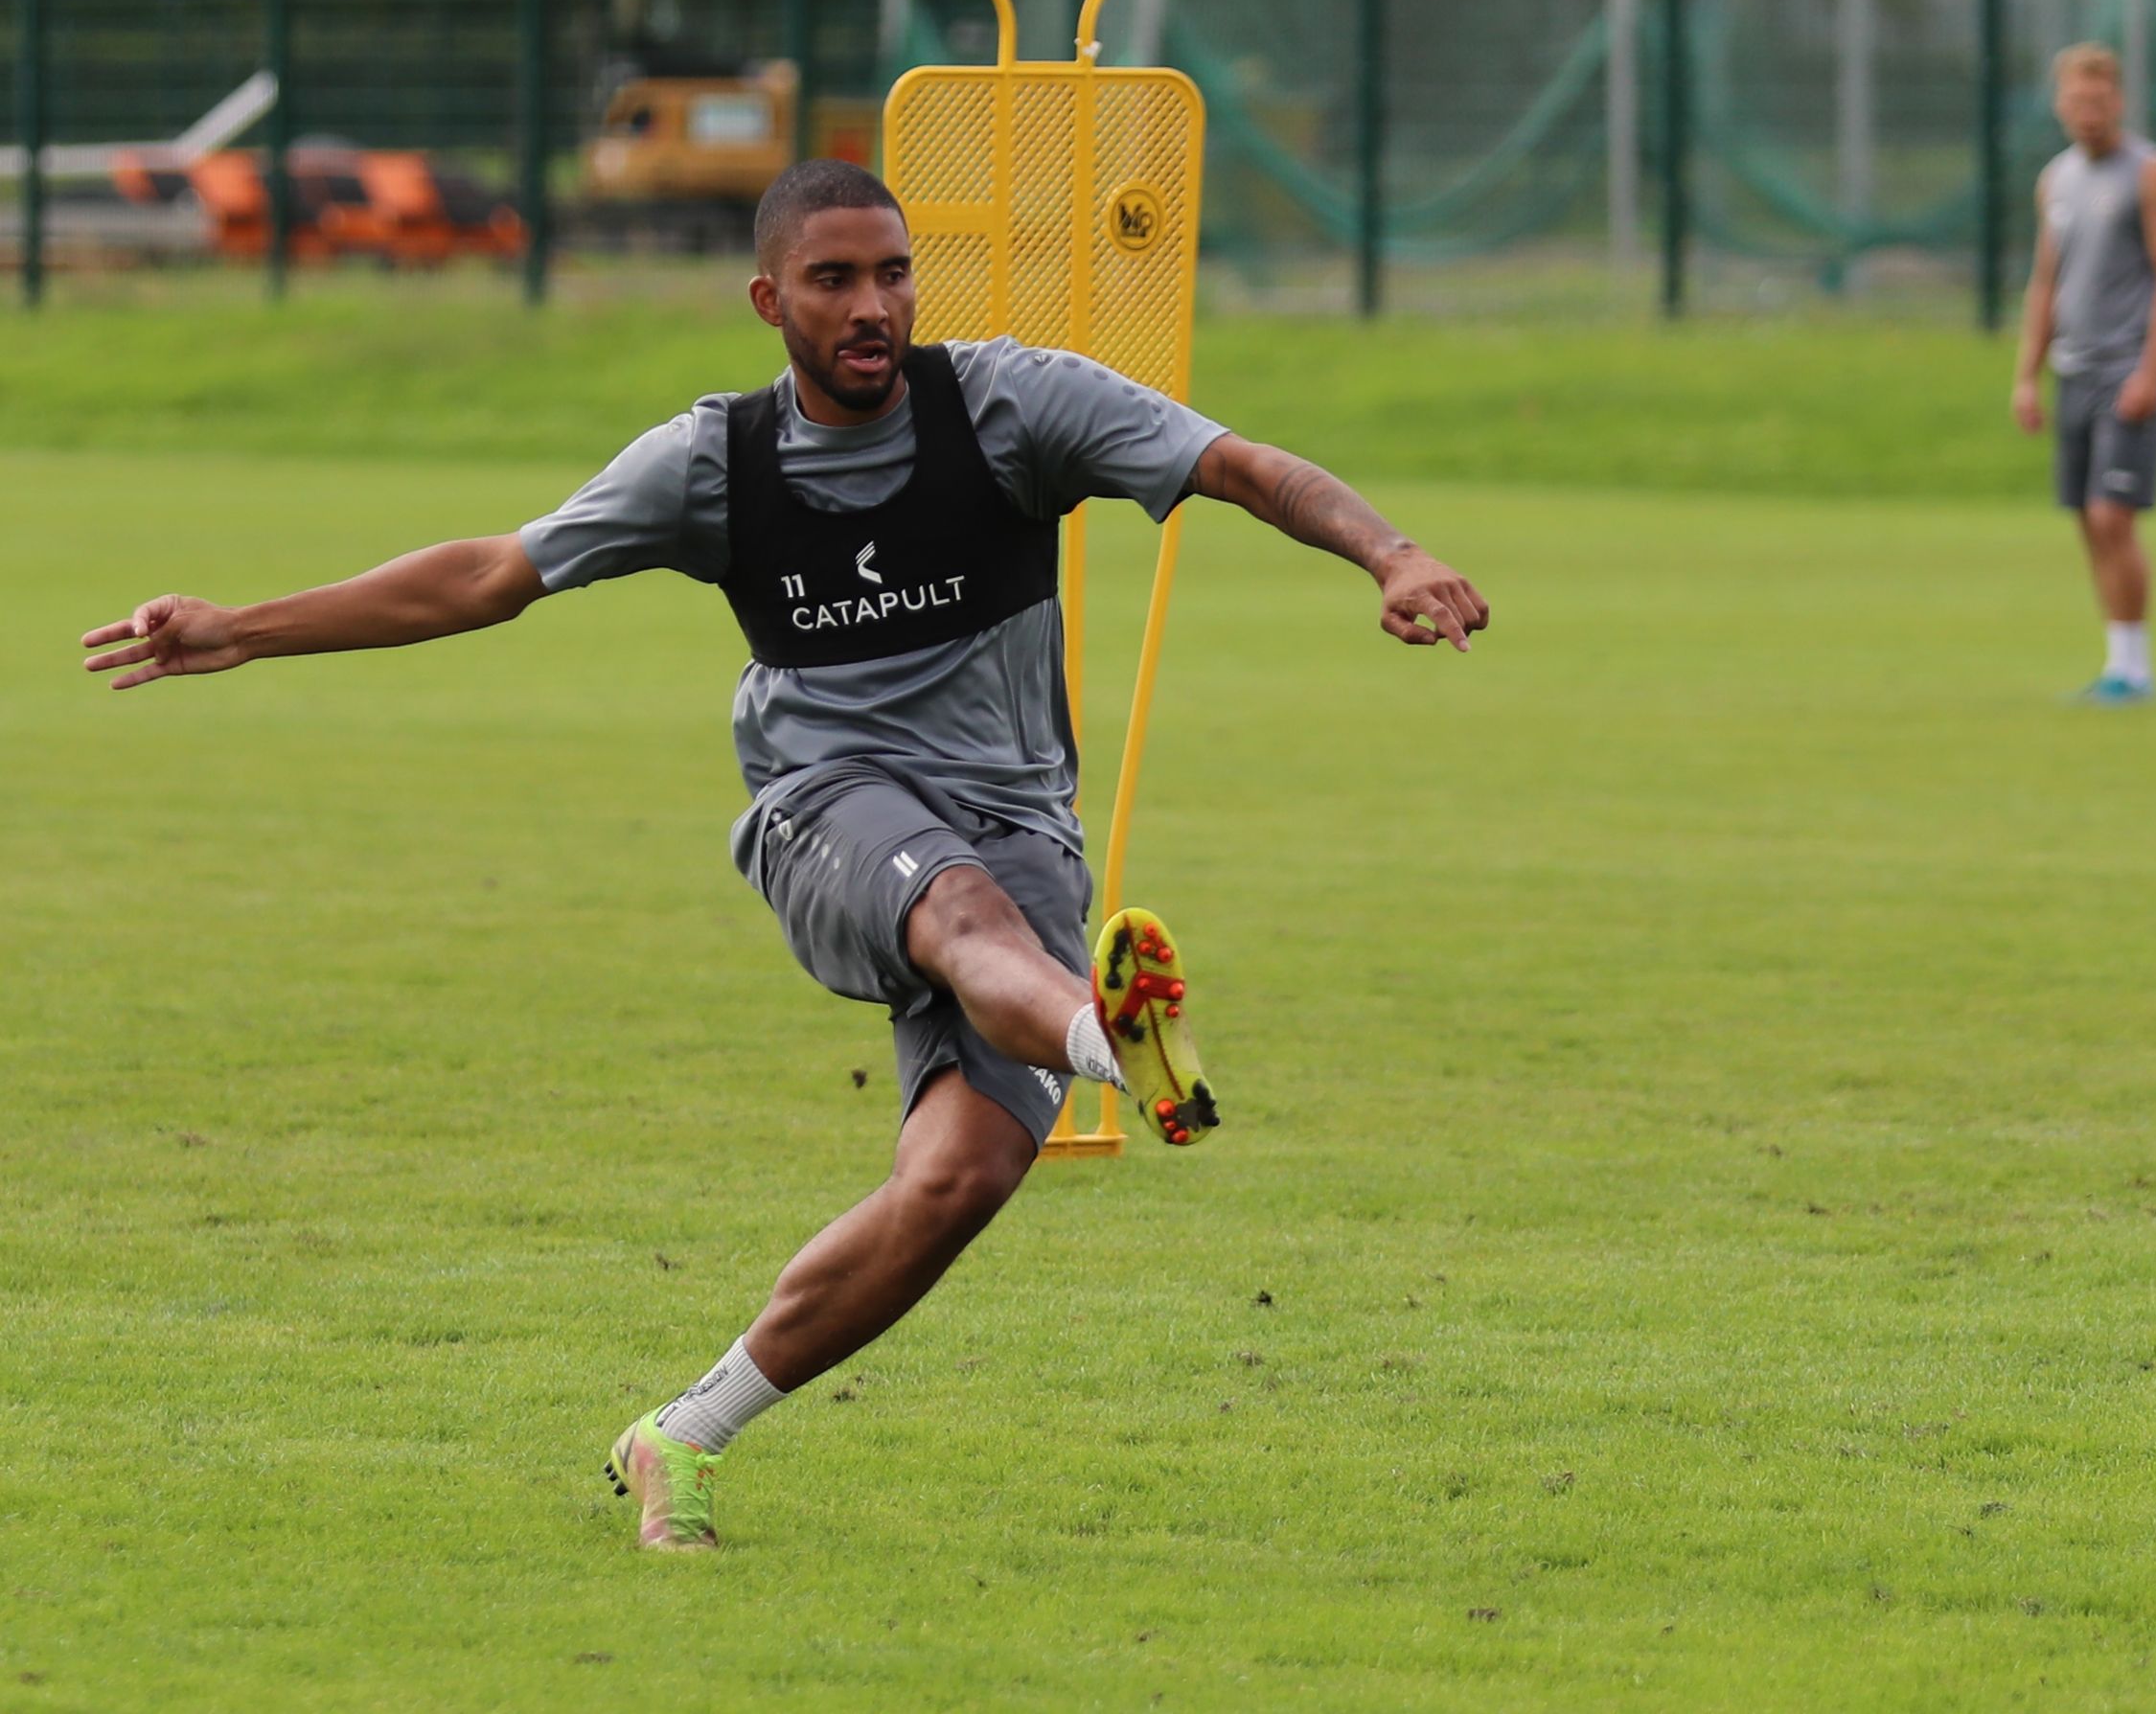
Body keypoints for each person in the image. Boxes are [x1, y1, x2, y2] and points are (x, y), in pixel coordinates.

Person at [78, 159, 1490, 1551]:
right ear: (769, 299)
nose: (870, 304)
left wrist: (1393, 554)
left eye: (890, 273)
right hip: (828, 803)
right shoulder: (714, 462)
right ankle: (1113, 1040)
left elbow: (1235, 464)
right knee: (954, 908)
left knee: (956, 1182)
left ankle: (678, 1435)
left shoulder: (1007, 405)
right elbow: (489, 576)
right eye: (832, 281)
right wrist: (242, 628)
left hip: (1016, 821)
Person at [2010, 43, 2156, 704]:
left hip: (2126, 370)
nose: (2086, 112)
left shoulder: (2151, 176)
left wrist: (2151, 369)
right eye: (2074, 100)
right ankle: (2116, 660)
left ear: (2118, 101)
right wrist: (2026, 374)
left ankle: (2136, 670)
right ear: (2058, 103)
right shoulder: (2054, 180)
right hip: (2074, 371)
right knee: (2087, 522)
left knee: (2111, 515)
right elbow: (2045, 282)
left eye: (2098, 99)